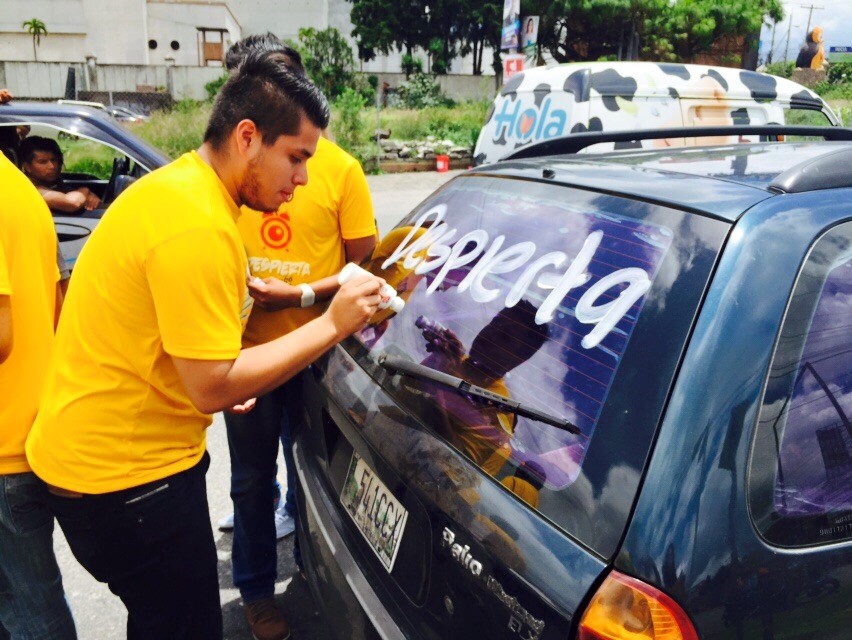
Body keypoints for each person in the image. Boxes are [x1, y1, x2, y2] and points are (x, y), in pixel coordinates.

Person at [25, 50, 384, 640]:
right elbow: (213, 383)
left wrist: (217, 377)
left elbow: (175, 350)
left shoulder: (175, 188)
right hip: (131, 485)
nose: (302, 179)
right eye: (295, 158)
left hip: (89, 466)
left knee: (157, 621)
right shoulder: (199, 225)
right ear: (248, 137)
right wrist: (332, 322)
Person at [219, 33, 378, 640]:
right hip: (248, 361)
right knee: (252, 481)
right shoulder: (228, 173)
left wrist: (302, 295)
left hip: (318, 359)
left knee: (315, 470)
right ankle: (257, 591)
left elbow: (365, 265)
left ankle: (318, 571)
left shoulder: (338, 171)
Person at [0, 144, 77, 639]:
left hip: (4, 454)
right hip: (27, 436)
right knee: (30, 604)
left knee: (29, 614)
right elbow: (54, 310)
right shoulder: (20, 191)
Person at [18, 136, 102, 213]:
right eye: (42, 162)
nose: (52, 166)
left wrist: (90, 198)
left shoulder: (52, 185)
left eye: (53, 160)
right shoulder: (30, 190)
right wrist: (85, 190)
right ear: (27, 167)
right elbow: (72, 202)